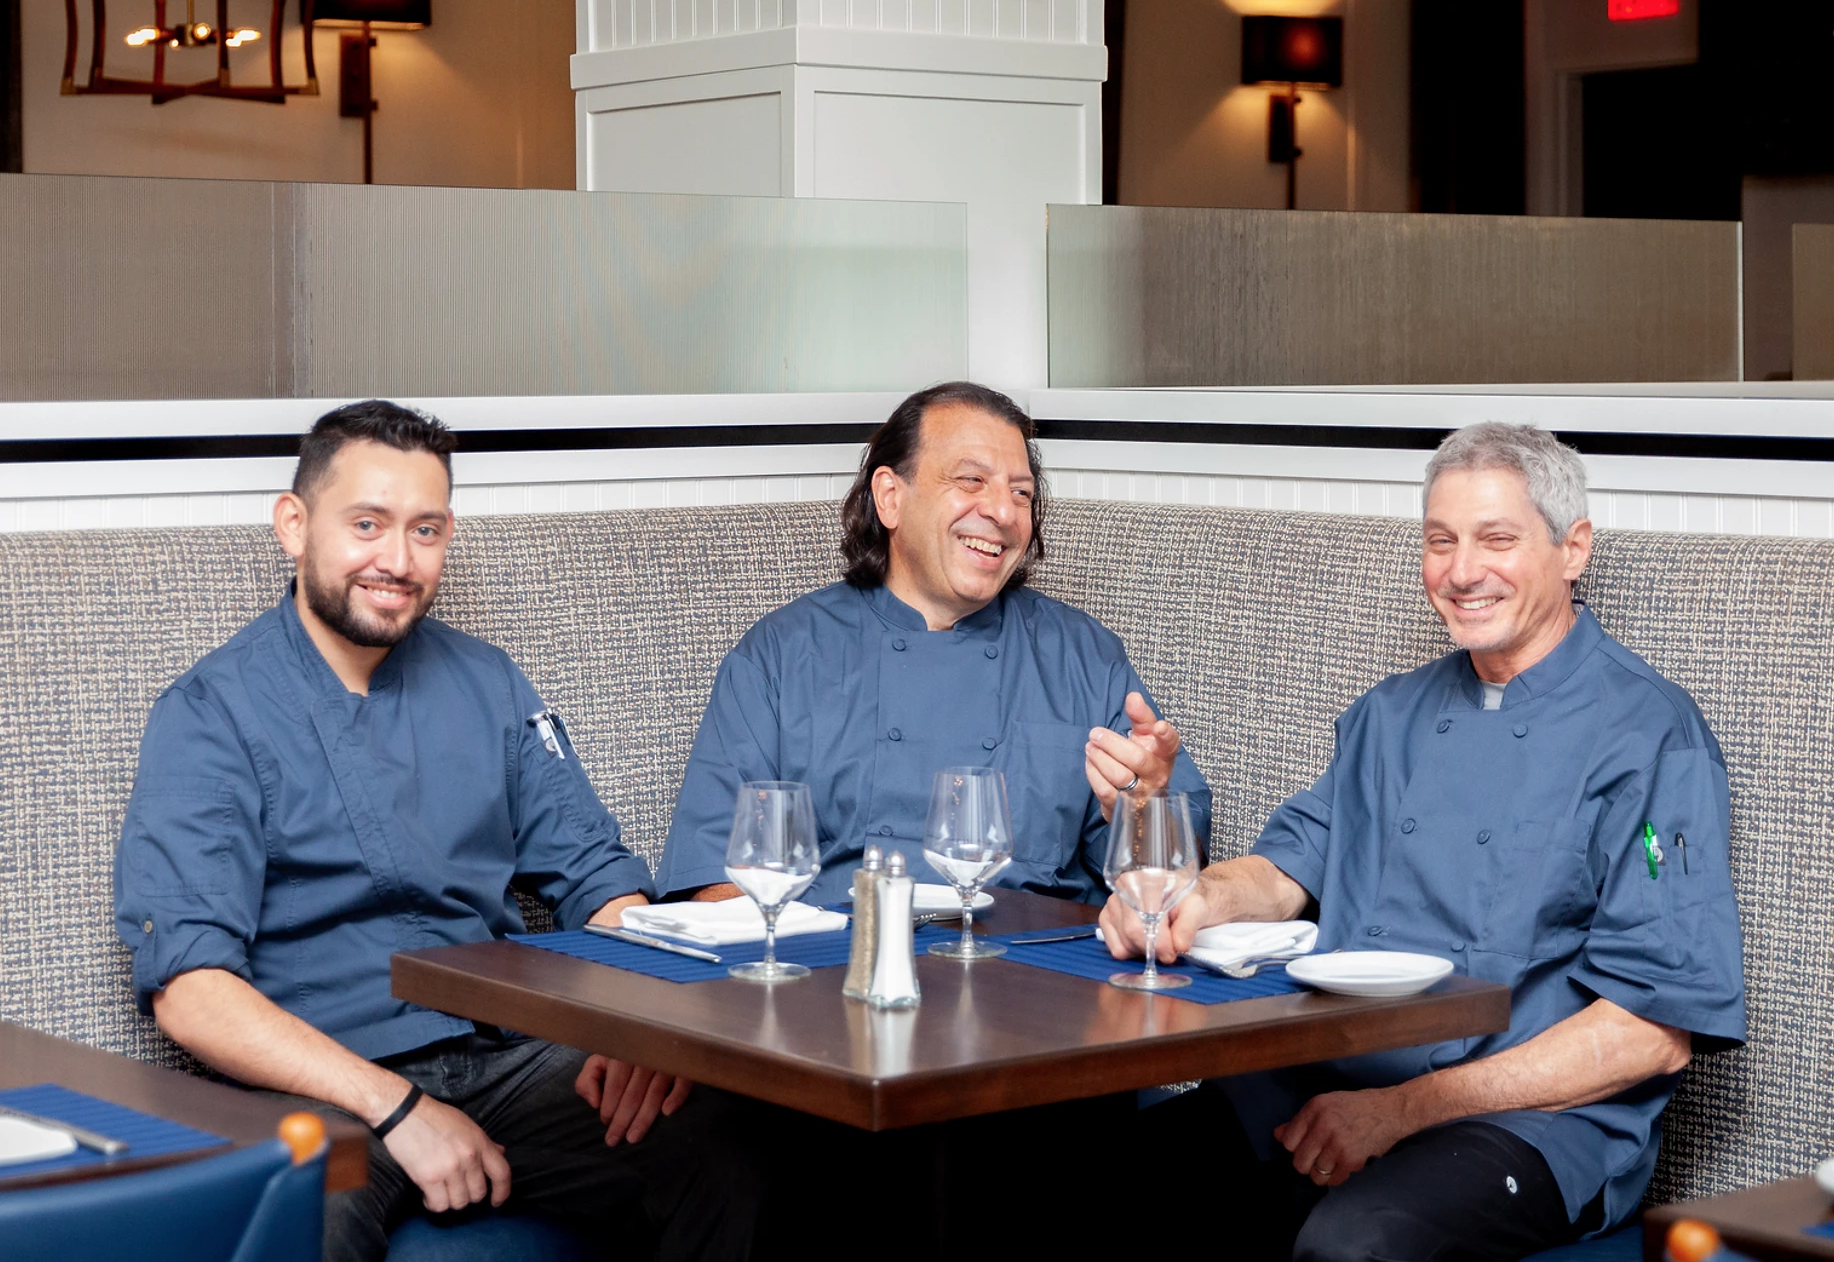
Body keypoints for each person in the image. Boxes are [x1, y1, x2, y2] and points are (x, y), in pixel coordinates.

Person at [114, 401, 761, 1262]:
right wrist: (398, 1109)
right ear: (293, 525)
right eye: (368, 524)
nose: (398, 560)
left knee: (732, 1140)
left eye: (426, 530)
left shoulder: (487, 683)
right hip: (320, 1075)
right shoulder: (210, 714)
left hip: (507, 1059)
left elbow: (596, 877)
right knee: (306, 1209)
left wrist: (638, 1024)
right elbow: (190, 991)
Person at [1101, 422, 1746, 1262]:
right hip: (1325, 1077)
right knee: (1095, 1182)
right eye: (1440, 541)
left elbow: (1651, 1031)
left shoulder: (1650, 736)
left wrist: (1405, 1110)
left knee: (1353, 1246)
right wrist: (1191, 895)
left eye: (1497, 539)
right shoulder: (1390, 713)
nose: (1462, 570)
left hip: (1529, 1124)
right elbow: (1289, 866)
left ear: (1574, 547)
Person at [653, 379, 1211, 905]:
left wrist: (1148, 814)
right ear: (890, 498)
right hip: (835, 970)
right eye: (971, 481)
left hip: (1035, 975)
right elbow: (714, 882)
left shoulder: (1083, 657)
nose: (1002, 512)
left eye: (1021, 492)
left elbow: (1160, 887)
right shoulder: (781, 656)